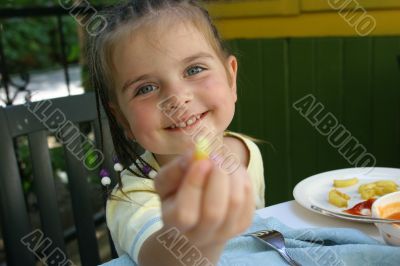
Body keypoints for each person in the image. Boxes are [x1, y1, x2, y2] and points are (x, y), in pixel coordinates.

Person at [86, 0, 265, 265]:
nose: (176, 98)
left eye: (194, 70)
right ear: (122, 119)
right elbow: (159, 257)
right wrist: (195, 235)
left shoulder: (245, 151)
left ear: (231, 78)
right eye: (145, 88)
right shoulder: (132, 196)